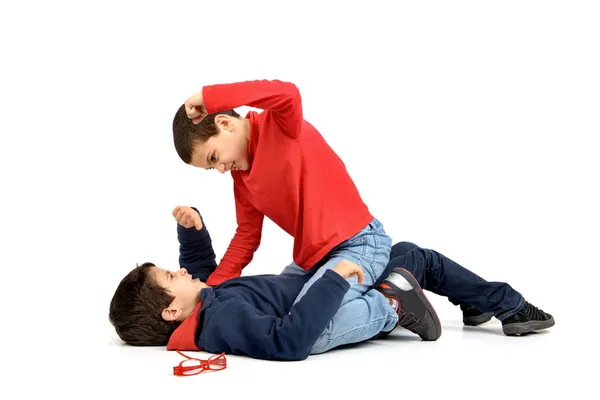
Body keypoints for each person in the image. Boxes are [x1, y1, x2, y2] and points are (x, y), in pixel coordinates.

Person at [171, 79, 423, 347]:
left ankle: (391, 305)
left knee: (308, 333)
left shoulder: (279, 125)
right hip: (313, 259)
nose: (221, 169)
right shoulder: (242, 179)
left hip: (358, 243)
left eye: (213, 158)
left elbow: (287, 93)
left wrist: (211, 97)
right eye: (212, 168)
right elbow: (246, 235)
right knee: (284, 315)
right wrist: (213, 288)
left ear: (224, 123)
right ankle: (382, 285)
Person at [108, 206, 441, 361]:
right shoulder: (220, 319)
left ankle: (469, 298)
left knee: (408, 255)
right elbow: (287, 342)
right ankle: (391, 305)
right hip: (326, 298)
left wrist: (191, 229)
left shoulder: (201, 308)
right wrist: (333, 279)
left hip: (311, 283)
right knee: (417, 260)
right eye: (171, 276)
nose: (181, 271)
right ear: (170, 311)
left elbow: (199, 270)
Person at [382, 242, 555, 336]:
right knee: (425, 260)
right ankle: (511, 307)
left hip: (365, 289)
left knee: (404, 248)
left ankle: (472, 301)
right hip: (368, 300)